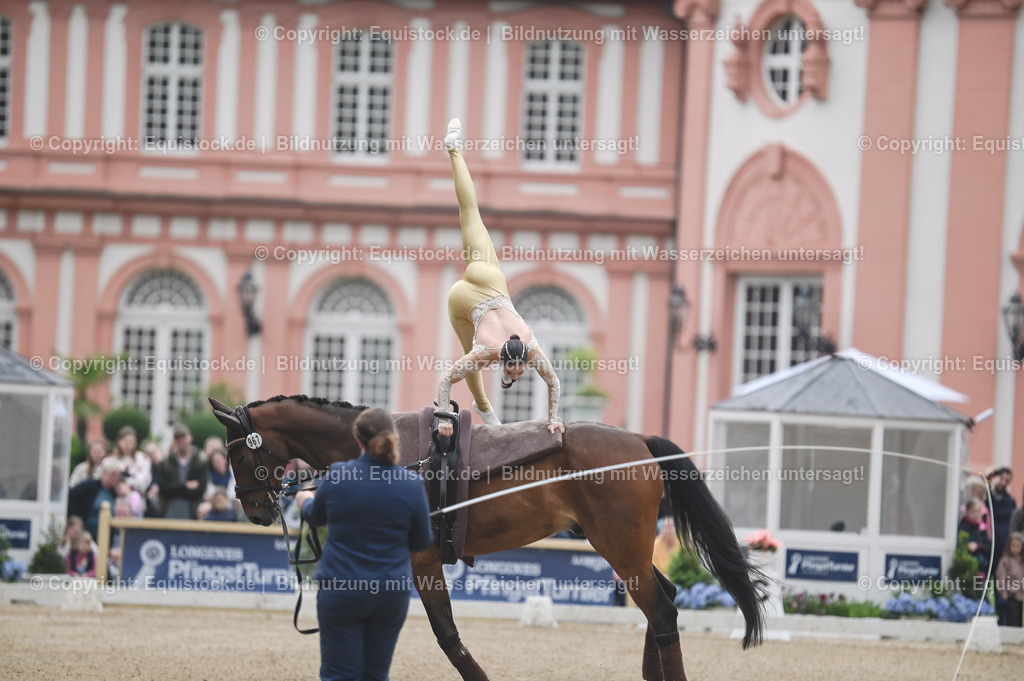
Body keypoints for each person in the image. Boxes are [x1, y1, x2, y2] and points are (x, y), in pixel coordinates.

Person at [436, 118, 564, 436]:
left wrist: (553, 417)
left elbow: (552, 381)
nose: (517, 374)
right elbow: (446, 381)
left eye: (515, 372)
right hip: (462, 297)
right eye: (514, 371)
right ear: (505, 360)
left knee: (471, 212)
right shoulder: (491, 350)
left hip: (489, 278)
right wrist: (554, 419)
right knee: (470, 359)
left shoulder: (528, 344)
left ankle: (454, 149)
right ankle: (484, 407)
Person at [294, 408, 432, 681]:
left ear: (359, 441)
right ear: (392, 439)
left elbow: (316, 517)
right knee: (376, 675)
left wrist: (305, 501)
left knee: (339, 675)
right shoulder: (412, 484)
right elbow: (420, 542)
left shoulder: (336, 475)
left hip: (342, 589)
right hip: (390, 592)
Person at [153, 424, 208, 519]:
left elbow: (200, 489)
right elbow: (163, 488)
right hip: (168, 511)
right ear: (174, 441)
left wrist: (174, 488)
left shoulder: (200, 463)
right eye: (177, 438)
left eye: (183, 437)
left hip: (192, 511)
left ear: (190, 438)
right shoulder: (165, 463)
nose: (181, 440)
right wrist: (185, 486)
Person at [110, 426, 151, 495]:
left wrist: (125, 483)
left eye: (132, 442)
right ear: (119, 442)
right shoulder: (110, 460)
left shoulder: (143, 458)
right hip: (115, 497)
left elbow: (145, 481)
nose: (129, 445)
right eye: (125, 442)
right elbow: (109, 480)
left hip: (136, 498)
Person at [995, 532, 1024, 627]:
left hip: (1022, 594)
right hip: (1012, 595)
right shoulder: (1005, 560)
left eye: (1018, 546)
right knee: (1012, 619)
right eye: (1013, 545)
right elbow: (1000, 577)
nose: (1015, 548)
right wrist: (1003, 592)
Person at [959, 498, 993, 576]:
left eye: (978, 511)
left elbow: (989, 546)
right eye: (973, 511)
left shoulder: (982, 527)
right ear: (967, 511)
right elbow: (960, 544)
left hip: (982, 567)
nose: (976, 514)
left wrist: (978, 546)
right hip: (968, 568)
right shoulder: (964, 526)